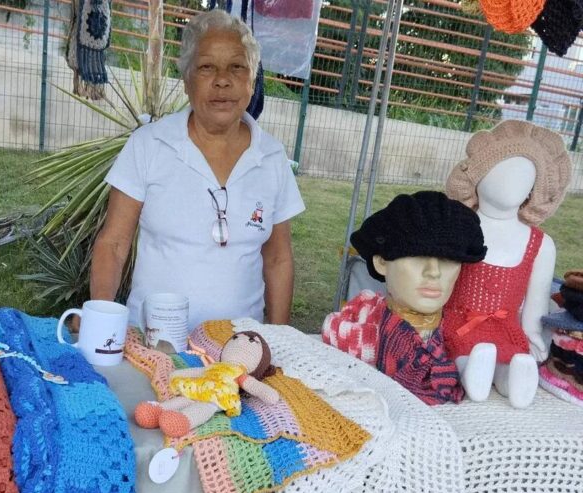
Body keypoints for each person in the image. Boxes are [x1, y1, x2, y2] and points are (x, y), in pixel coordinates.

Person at [90, 9, 305, 332]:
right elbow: (114, 244)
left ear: (252, 80)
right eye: (207, 67)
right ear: (187, 79)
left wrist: (278, 340)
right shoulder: (149, 144)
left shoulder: (272, 157)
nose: (223, 80)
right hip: (153, 342)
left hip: (240, 347)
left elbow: (278, 259)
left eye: (237, 67)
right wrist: (102, 322)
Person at [443, 120, 572, 408]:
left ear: (532, 190)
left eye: (524, 174)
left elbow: (537, 300)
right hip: (459, 322)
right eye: (501, 169)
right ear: (478, 177)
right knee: (463, 354)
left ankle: (512, 375)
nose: (511, 179)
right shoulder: (460, 225)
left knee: (511, 358)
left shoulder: (539, 244)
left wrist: (533, 334)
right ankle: (473, 371)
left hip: (506, 329)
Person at [322, 191, 487, 405]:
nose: (433, 272)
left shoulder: (457, 335)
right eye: (417, 256)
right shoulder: (359, 338)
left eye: (448, 259)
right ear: (382, 263)